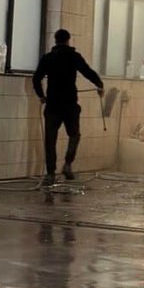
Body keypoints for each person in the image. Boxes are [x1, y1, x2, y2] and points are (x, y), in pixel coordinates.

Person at [32, 28, 103, 184]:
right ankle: (67, 164)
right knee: (74, 135)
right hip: (70, 104)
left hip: (52, 104)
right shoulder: (74, 56)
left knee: (50, 140)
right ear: (68, 40)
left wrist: (41, 95)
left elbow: (36, 78)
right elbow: (87, 71)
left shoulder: (48, 58)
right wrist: (99, 84)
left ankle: (50, 174)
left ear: (55, 40)